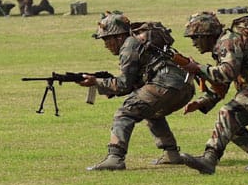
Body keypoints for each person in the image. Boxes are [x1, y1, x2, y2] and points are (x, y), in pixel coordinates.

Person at [79, 12, 195, 171]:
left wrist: (96, 82)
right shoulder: (141, 41)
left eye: (107, 39)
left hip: (165, 85)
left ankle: (115, 157)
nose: (106, 45)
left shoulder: (129, 45)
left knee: (125, 112)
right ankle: (171, 154)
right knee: (151, 111)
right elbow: (135, 82)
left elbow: (124, 85)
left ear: (118, 37)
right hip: (185, 88)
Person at [177, 12, 248, 174]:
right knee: (230, 124)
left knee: (228, 112)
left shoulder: (228, 42)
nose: (194, 43)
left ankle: (209, 158)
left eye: (196, 37)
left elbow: (226, 73)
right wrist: (203, 101)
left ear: (207, 35)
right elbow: (222, 85)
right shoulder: (223, 45)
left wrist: (198, 68)